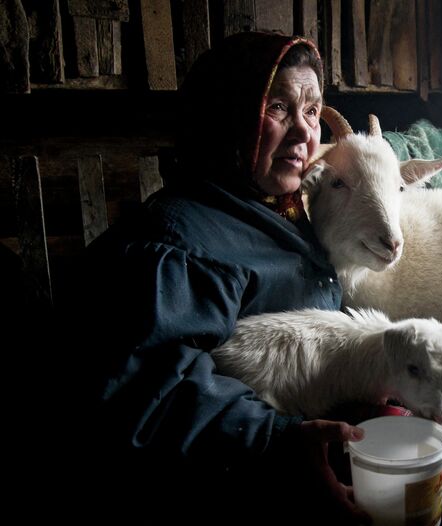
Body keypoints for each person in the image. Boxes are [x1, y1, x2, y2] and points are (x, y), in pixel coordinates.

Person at [65, 32, 370, 524]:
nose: (303, 133)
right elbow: (151, 396)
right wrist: (279, 441)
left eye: (312, 112)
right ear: (229, 116)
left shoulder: (284, 213)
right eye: (278, 107)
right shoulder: (177, 243)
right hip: (237, 478)